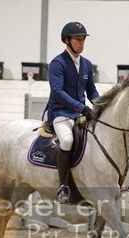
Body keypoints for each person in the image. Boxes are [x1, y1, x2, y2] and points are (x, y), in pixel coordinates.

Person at [45, 21, 100, 203]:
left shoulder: (86, 64)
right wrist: (82, 107)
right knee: (67, 140)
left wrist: (100, 105)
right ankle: (62, 186)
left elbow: (91, 91)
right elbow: (58, 93)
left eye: (83, 40)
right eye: (77, 40)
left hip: (80, 114)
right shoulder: (57, 63)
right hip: (60, 113)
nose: (81, 43)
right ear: (67, 41)